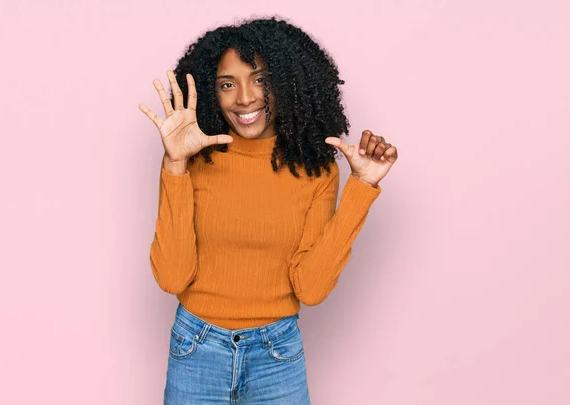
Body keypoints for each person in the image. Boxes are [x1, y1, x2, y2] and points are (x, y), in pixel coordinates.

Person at [138, 16, 398, 404]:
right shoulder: (193, 160)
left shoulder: (315, 169)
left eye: (260, 79)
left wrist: (362, 187)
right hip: (197, 349)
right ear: (212, 92)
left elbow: (310, 289)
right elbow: (173, 277)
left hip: (277, 353)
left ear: (289, 81)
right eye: (228, 84)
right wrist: (174, 166)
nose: (245, 98)